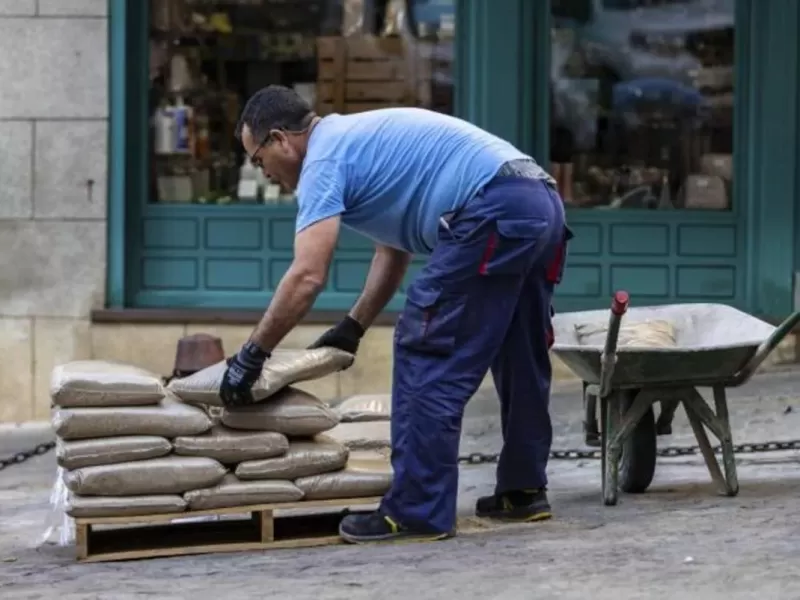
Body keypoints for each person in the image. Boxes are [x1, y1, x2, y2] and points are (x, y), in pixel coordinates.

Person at [220, 85, 572, 544]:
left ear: (281, 139)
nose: (263, 172)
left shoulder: (323, 163)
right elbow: (395, 248)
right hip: (538, 202)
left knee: (425, 349)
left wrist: (252, 354)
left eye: (257, 158)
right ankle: (523, 491)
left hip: (491, 209)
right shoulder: (356, 142)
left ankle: (418, 511)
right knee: (519, 351)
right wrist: (353, 326)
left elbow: (307, 275)